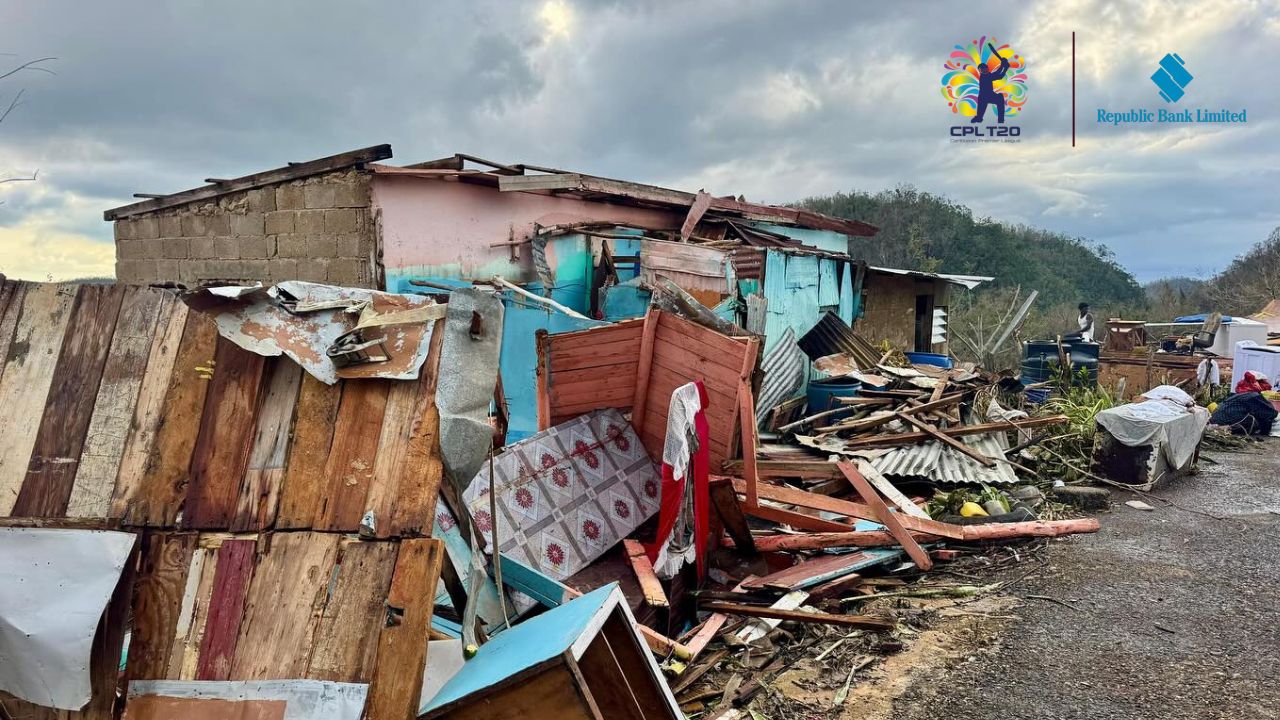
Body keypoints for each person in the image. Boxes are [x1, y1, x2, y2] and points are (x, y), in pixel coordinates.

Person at [971, 43, 1010, 124]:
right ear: (980, 71)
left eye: (984, 68)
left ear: (987, 69)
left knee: (1000, 98)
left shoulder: (988, 75)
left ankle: (1001, 119)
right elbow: (998, 75)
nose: (983, 70)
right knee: (979, 116)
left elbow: (998, 74)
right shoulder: (983, 77)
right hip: (983, 97)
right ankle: (978, 118)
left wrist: (1004, 67)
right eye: (981, 69)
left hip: (990, 95)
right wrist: (1004, 66)